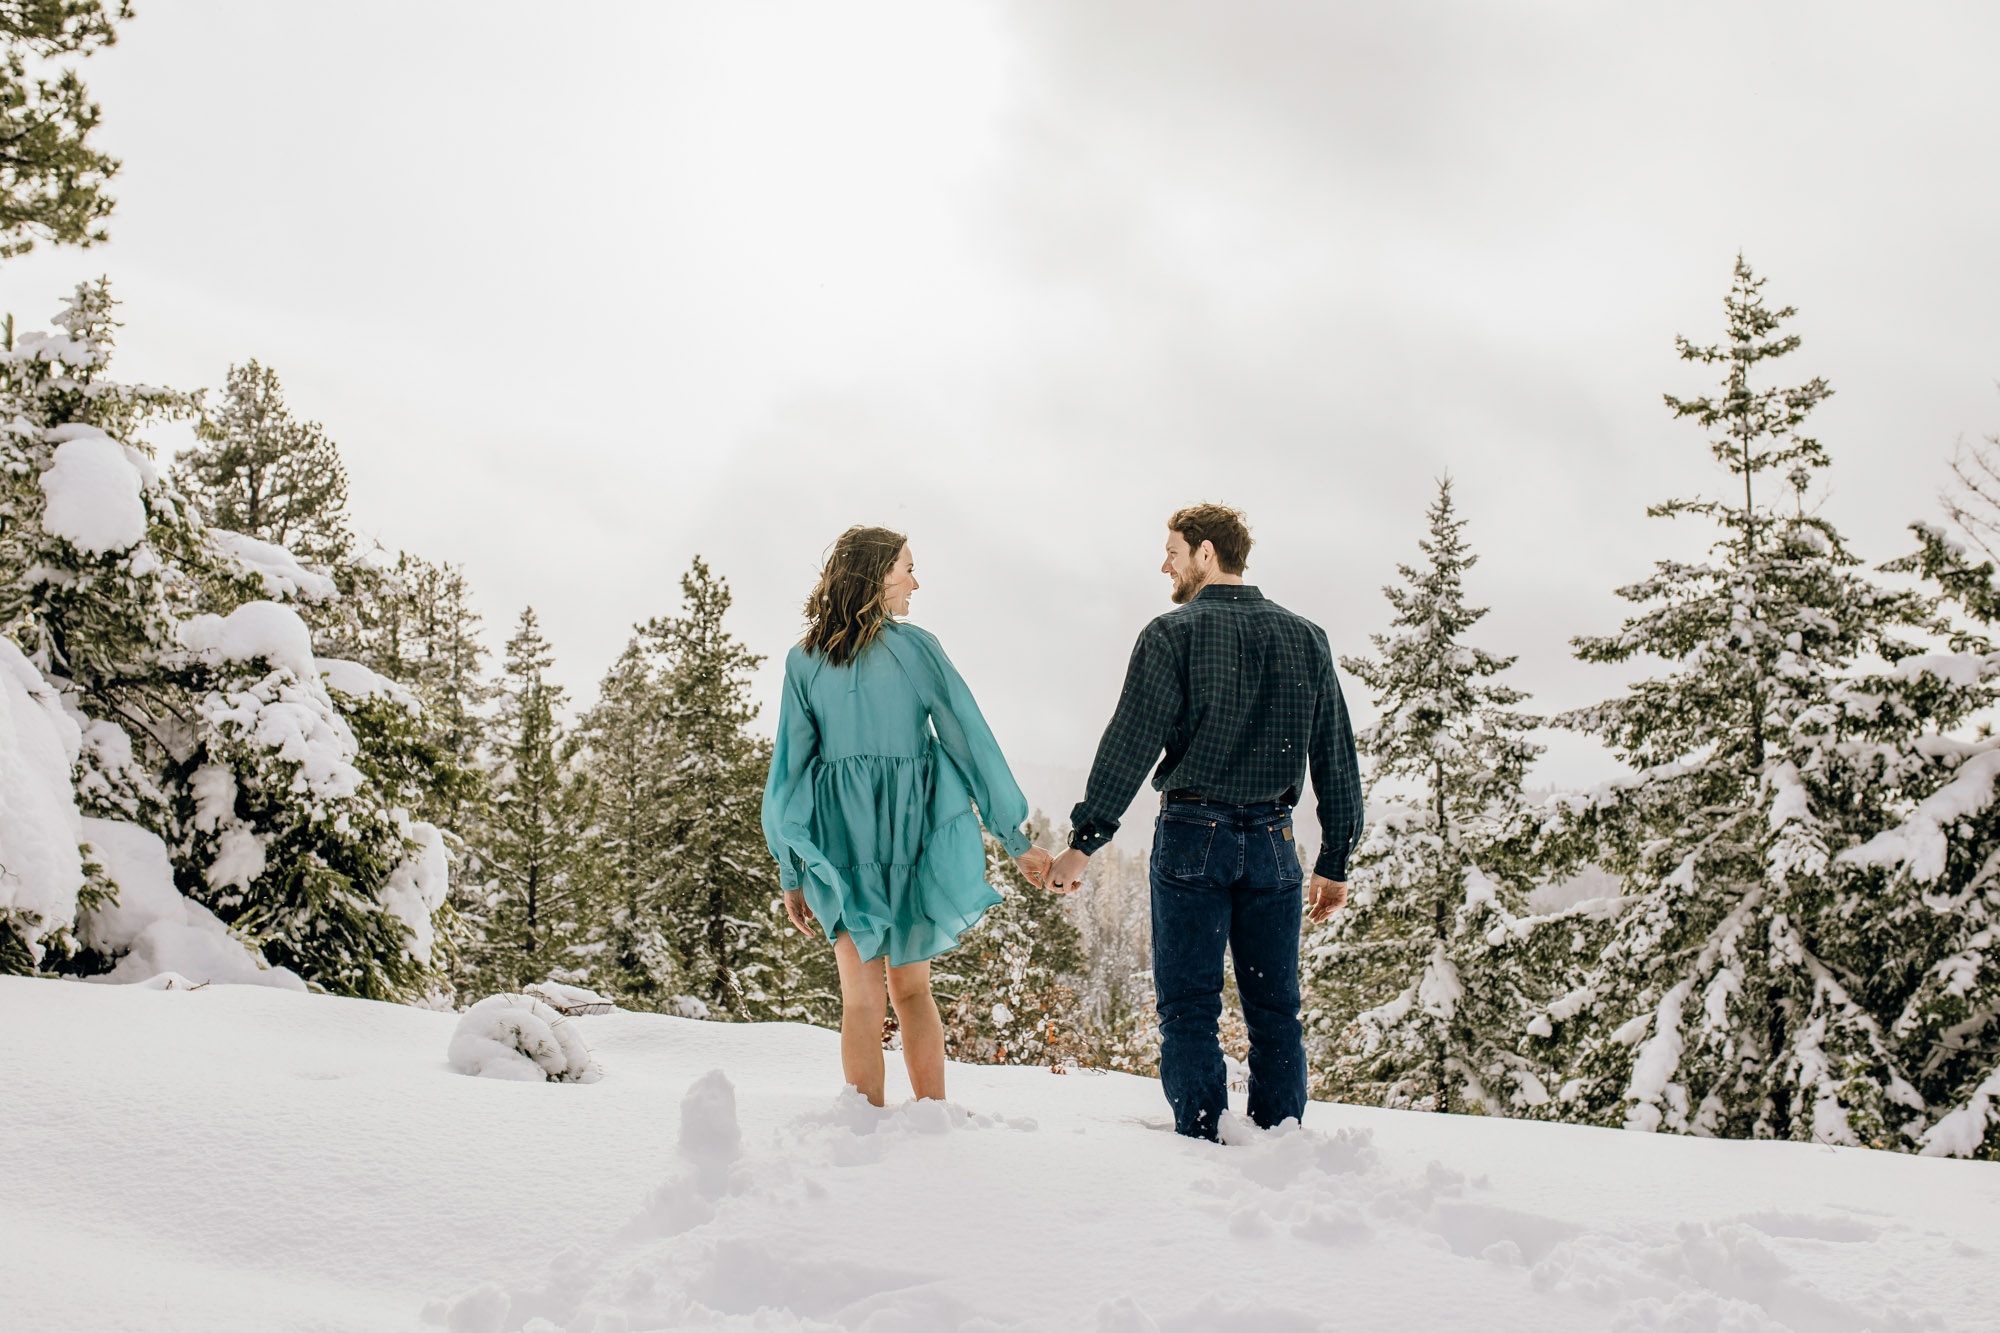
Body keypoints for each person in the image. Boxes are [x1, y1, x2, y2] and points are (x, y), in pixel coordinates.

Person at [1045, 503, 1363, 1141]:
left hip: (1195, 838)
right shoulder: (1307, 637)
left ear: (1207, 553)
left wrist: (1083, 845)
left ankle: (1201, 1139)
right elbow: (1335, 752)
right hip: (1274, 844)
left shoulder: (1171, 634)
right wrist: (1334, 859)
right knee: (1276, 1010)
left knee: (1189, 1009)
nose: (1164, 563)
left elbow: (1129, 744)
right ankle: (1282, 1143)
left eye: (1172, 550)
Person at [762, 525, 1053, 1107]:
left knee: (860, 1000)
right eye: (906, 569)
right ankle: (931, 1120)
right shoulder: (916, 648)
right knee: (913, 992)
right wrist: (1012, 838)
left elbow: (788, 770)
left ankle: (863, 1126)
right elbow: (969, 739)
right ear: (876, 576)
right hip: (913, 825)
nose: (916, 583)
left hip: (840, 835)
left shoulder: (805, 660)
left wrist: (792, 871)